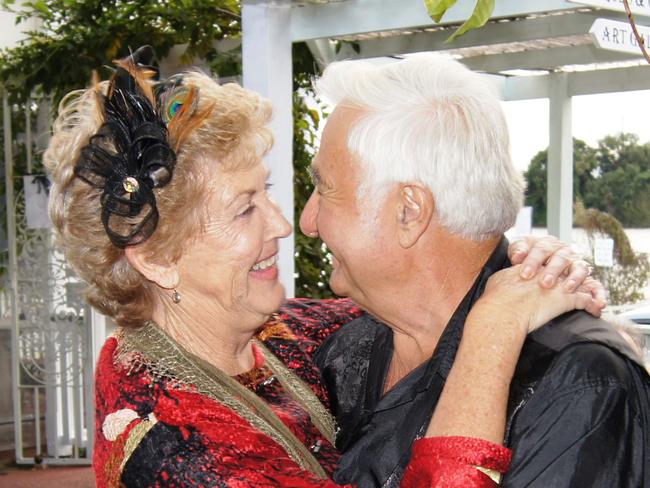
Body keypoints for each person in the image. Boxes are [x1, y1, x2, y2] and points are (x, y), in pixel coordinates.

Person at [44, 48, 601, 487]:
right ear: (158, 259)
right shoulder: (167, 435)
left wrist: (535, 265)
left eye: (266, 193)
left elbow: (423, 294)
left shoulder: (273, 334)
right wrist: (495, 328)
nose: (286, 225)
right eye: (245, 209)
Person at [300, 53, 650, 488]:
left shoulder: (576, 382)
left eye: (325, 189)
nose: (307, 221)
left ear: (409, 211)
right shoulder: (341, 351)